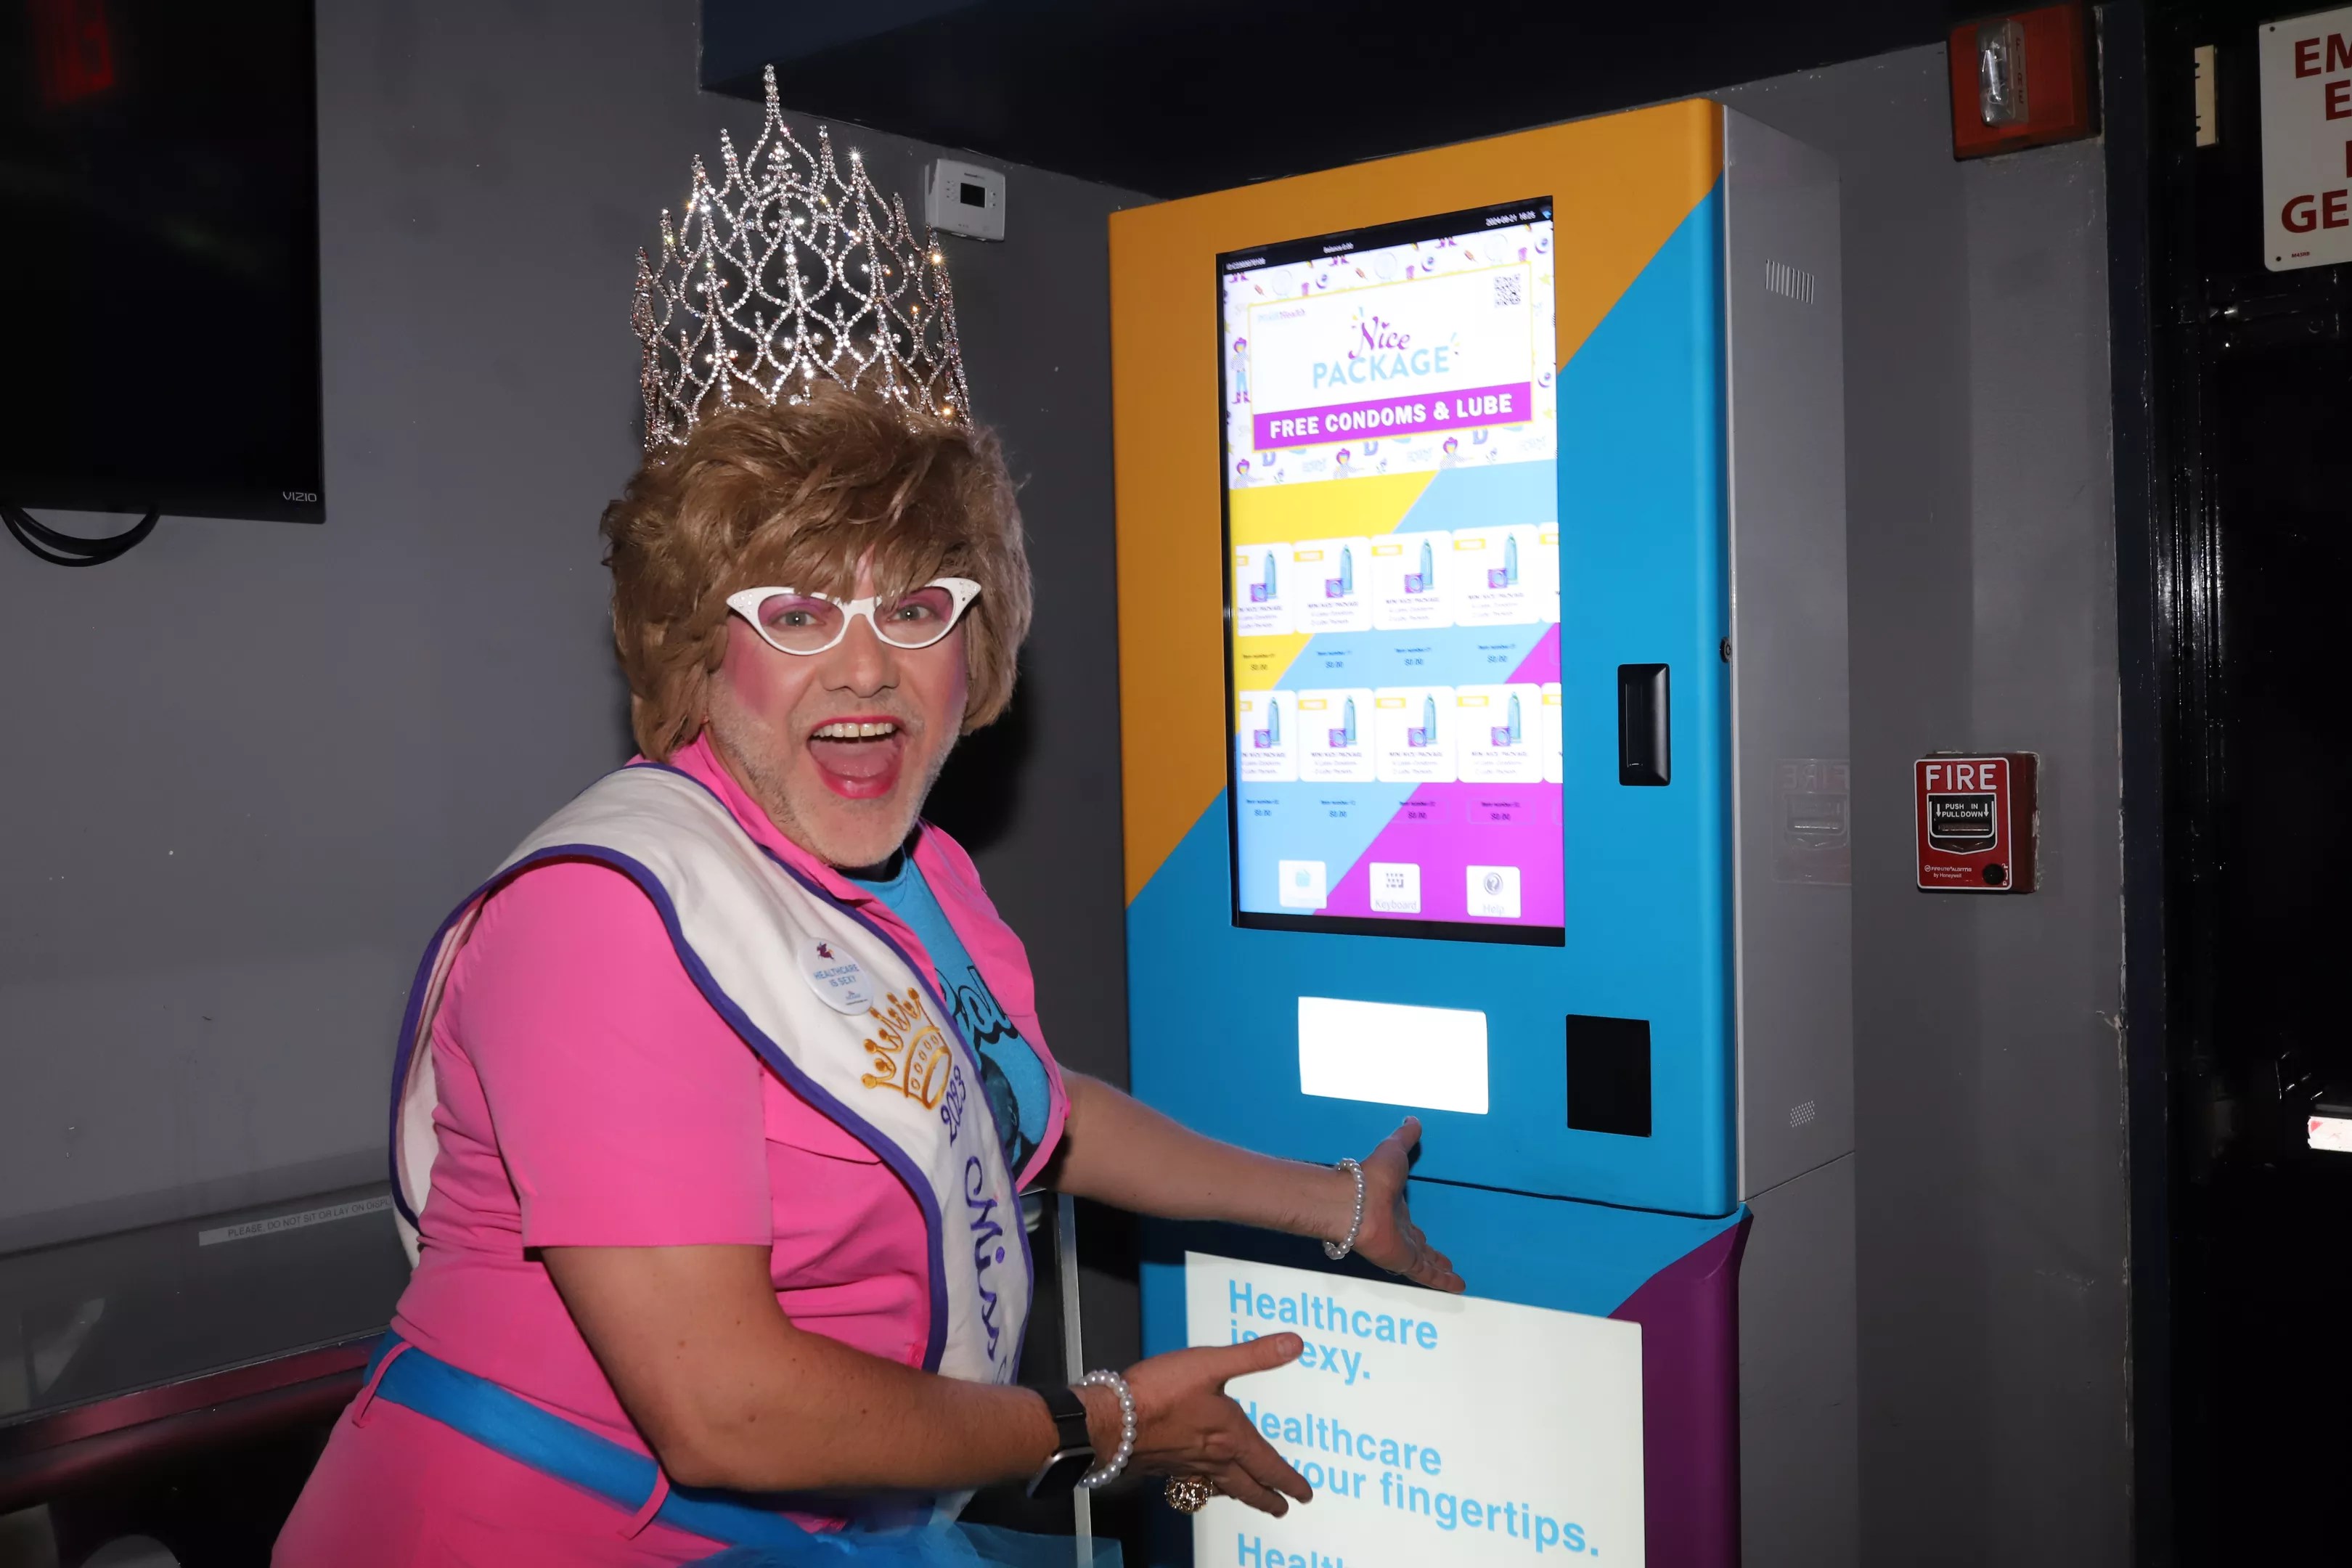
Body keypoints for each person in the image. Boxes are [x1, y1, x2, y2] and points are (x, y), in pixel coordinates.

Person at [275, 126, 1461, 1556]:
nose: (863, 670)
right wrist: (1110, 1425)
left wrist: (1336, 1203)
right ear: (694, 650)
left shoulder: (916, 876)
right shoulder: (609, 919)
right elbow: (729, 1412)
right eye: (792, 610)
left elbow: (1016, 1102)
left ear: (981, 644)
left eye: (915, 607)